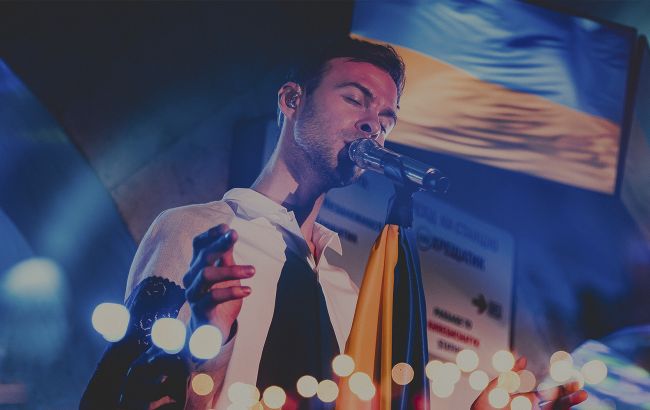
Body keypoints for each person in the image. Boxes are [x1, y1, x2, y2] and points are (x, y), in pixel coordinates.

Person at [82, 37, 586, 410]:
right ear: (291, 100)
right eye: (355, 98)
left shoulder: (345, 292)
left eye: (387, 119)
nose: (374, 125)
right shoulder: (193, 230)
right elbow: (122, 391)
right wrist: (210, 335)